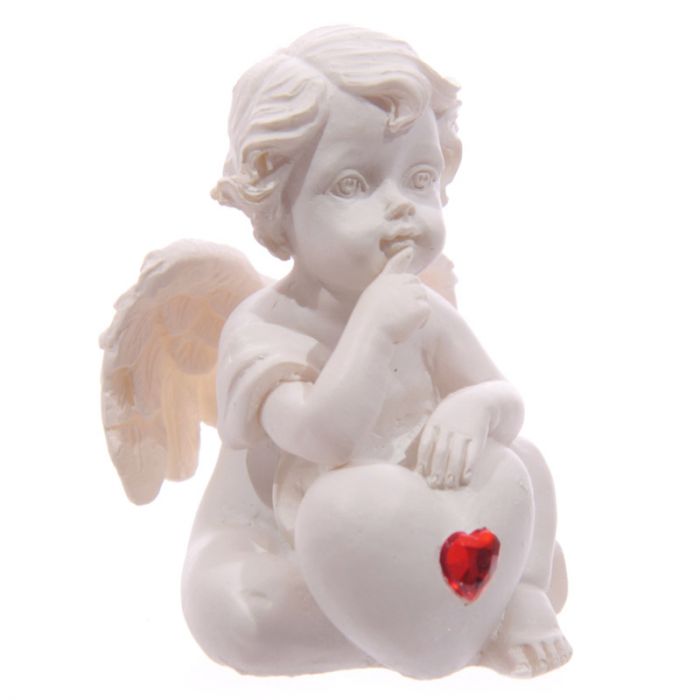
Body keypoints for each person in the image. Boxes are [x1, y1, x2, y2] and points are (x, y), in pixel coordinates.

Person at [177, 26, 570, 679]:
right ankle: (444, 623)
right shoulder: (262, 331)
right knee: (238, 612)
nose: (400, 209)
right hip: (278, 541)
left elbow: (504, 398)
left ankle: (500, 597)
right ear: (278, 207)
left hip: (410, 520)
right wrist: (374, 329)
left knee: (520, 460)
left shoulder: (423, 311)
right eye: (353, 184)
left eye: (420, 178)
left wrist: (474, 408)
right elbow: (323, 439)